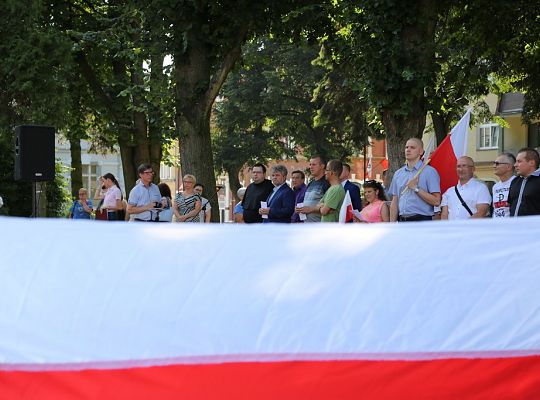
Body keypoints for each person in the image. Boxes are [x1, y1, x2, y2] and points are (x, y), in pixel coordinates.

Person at [388, 138, 441, 222]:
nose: (408, 150)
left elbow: (436, 201)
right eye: (406, 147)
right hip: (402, 221)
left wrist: (416, 188)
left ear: (420, 152)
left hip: (422, 220)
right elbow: (395, 201)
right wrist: (392, 224)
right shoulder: (398, 173)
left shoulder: (429, 172)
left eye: (412, 147)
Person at [295, 155, 330, 222]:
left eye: (314, 164)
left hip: (319, 226)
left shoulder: (327, 183)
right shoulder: (310, 183)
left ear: (322, 166)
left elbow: (329, 206)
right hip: (307, 225)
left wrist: (310, 209)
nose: (311, 167)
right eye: (310, 164)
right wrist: (300, 209)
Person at [508, 148, 540, 216]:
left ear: (532, 163)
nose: (515, 165)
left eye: (519, 161)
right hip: (514, 225)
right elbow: (510, 206)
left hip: (534, 226)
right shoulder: (514, 181)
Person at [492, 153, 516, 218]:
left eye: (497, 163)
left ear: (508, 167)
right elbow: (495, 209)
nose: (494, 166)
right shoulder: (495, 186)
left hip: (511, 225)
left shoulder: (517, 182)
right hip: (497, 225)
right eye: (494, 163)